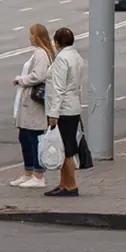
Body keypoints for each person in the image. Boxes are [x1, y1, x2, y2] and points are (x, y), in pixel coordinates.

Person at [11, 23, 56, 189]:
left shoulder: (41, 54)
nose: (29, 38)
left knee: (34, 138)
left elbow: (39, 75)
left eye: (31, 34)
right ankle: (28, 172)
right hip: (29, 104)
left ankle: (38, 175)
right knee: (24, 137)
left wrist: (21, 79)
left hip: (35, 104)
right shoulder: (39, 53)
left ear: (37, 36)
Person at [43, 26, 86, 197]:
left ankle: (71, 185)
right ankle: (63, 184)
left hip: (63, 110)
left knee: (66, 148)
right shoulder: (76, 56)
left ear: (57, 42)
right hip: (72, 106)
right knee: (65, 146)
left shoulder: (62, 59)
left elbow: (59, 88)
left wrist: (54, 114)